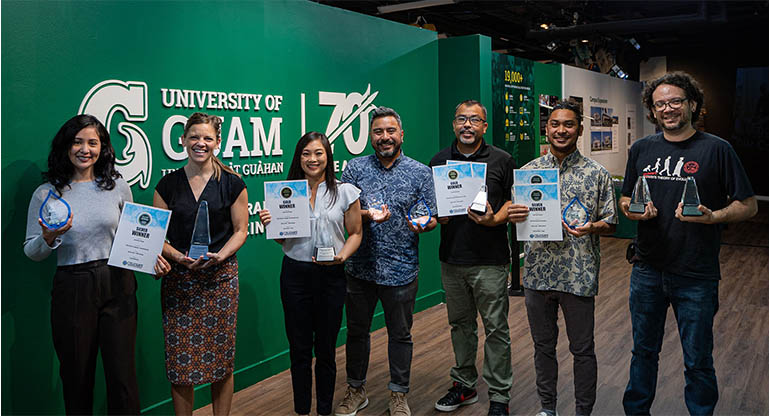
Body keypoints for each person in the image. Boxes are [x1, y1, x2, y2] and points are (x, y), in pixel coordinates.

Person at [619, 72, 757, 415]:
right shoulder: (641, 149)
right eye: (660, 103)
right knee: (642, 353)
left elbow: (748, 205)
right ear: (652, 110)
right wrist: (634, 212)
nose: (668, 108)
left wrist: (712, 217)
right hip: (647, 269)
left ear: (692, 104)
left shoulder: (717, 149)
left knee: (697, 359)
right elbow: (625, 200)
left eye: (675, 101)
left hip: (696, 274)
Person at [24, 114, 171, 414]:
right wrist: (49, 238)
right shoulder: (47, 192)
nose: (85, 149)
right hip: (73, 286)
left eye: (93, 142)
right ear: (65, 146)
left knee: (123, 377)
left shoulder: (116, 185)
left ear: (102, 148)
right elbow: (32, 251)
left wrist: (150, 255)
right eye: (77, 142)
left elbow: (132, 235)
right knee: (77, 377)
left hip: (118, 282)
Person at [507, 100, 617, 416]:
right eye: (555, 124)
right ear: (547, 128)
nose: (561, 130)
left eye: (568, 124)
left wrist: (593, 226)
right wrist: (515, 215)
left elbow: (610, 222)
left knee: (582, 350)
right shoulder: (528, 173)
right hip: (538, 275)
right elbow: (519, 217)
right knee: (543, 348)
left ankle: (583, 411)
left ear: (579, 130)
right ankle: (547, 409)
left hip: (578, 275)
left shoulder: (597, 174)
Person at [334, 106, 437, 416]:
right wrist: (367, 214)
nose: (385, 137)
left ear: (401, 134)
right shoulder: (353, 169)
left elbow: (431, 217)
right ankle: (356, 390)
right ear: (370, 136)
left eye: (390, 131)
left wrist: (422, 223)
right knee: (356, 332)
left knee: (401, 335)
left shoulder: (420, 172)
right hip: (360, 269)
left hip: (402, 269)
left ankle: (398, 394)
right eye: (378, 132)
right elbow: (340, 212)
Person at [259, 132, 363, 416]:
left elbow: (355, 233)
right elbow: (282, 241)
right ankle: (302, 410)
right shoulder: (287, 192)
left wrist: (343, 256)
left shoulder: (345, 191)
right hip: (295, 276)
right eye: (306, 153)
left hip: (331, 276)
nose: (312, 159)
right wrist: (272, 225)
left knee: (326, 349)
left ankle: (325, 410)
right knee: (299, 349)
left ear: (328, 156)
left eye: (318, 153)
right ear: (299, 157)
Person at [153, 112, 249, 416]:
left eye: (207, 137)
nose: (200, 143)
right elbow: (158, 238)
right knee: (180, 365)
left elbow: (240, 231)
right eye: (194, 136)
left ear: (217, 142)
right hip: (179, 284)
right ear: (182, 140)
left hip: (220, 282)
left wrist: (221, 255)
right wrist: (178, 257)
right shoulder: (167, 185)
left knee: (221, 362)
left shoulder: (232, 183)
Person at [429, 100, 515, 416]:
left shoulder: (502, 160)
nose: (467, 125)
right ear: (454, 124)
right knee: (460, 326)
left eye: (474, 120)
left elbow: (512, 203)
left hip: (490, 260)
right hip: (452, 259)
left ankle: (499, 397)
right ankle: (465, 385)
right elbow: (433, 206)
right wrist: (439, 216)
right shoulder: (438, 161)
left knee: (496, 329)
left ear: (484, 126)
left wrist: (494, 220)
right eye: (462, 119)